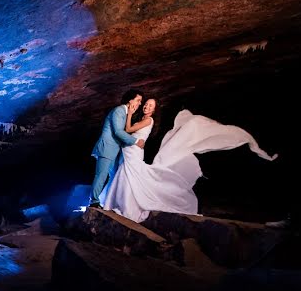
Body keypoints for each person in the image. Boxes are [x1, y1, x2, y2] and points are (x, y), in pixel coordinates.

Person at [103, 104, 277, 223]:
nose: (146, 106)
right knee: (129, 173)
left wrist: (130, 116)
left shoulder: (151, 121)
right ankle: (122, 200)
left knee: (136, 173)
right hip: (132, 149)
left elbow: (128, 131)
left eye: (150, 105)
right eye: (145, 104)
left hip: (134, 149)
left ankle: (128, 201)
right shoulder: (155, 122)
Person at [88, 89, 146, 208]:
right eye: (138, 100)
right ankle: (94, 202)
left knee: (114, 175)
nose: (140, 103)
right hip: (106, 148)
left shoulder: (124, 113)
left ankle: (107, 200)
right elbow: (118, 132)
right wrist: (136, 141)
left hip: (113, 150)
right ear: (130, 100)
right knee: (101, 175)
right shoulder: (119, 111)